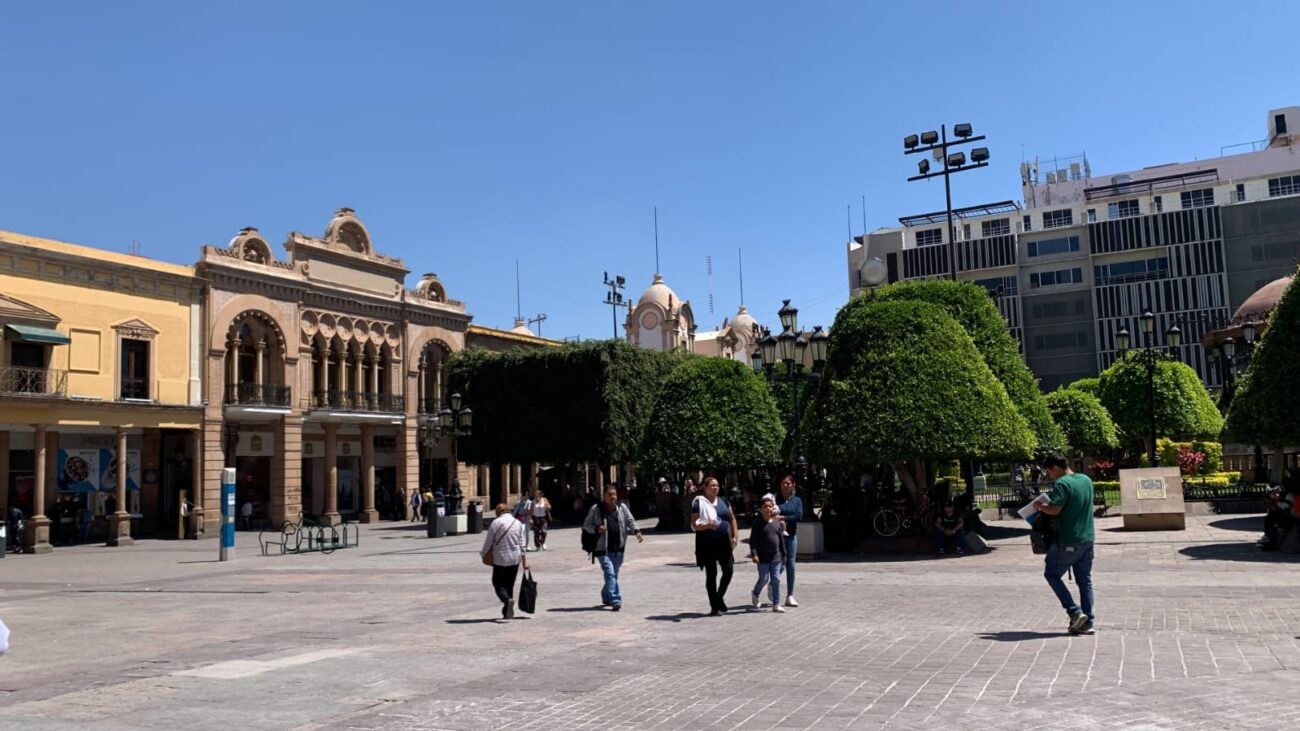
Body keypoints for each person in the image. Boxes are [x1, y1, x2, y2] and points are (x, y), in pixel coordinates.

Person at [1033, 452, 1096, 636]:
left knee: (1052, 574)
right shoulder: (1086, 479)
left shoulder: (1062, 483)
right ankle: (1087, 622)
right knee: (1084, 580)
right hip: (1087, 537)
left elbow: (1055, 509)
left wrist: (1039, 506)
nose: (1050, 476)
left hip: (1069, 539)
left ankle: (1074, 612)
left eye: (1049, 472)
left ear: (1056, 468)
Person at [582, 485, 643, 611]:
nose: (612, 497)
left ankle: (606, 595)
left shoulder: (622, 507)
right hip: (602, 549)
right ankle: (615, 599)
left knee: (613, 575)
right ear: (603, 496)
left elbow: (630, 520)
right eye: (609, 494)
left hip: (619, 548)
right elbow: (586, 525)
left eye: (614, 494)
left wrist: (637, 531)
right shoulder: (596, 509)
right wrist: (596, 529)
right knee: (610, 573)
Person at [692, 476, 738, 616]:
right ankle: (714, 606)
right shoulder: (699, 503)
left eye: (717, 485)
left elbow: (732, 519)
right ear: (705, 487)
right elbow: (694, 525)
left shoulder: (724, 501)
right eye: (712, 485)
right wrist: (708, 525)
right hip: (707, 543)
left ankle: (719, 597)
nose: (715, 488)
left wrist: (735, 536)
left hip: (724, 541)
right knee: (711, 574)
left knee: (728, 570)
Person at [481, 503, 529, 619]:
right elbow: (522, 544)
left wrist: (483, 554)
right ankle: (507, 612)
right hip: (515, 557)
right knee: (509, 584)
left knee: (497, 583)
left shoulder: (496, 523)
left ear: (498, 512)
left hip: (500, 557)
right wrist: (524, 561)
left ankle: (507, 600)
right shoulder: (517, 523)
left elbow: (488, 542)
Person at [749, 494, 788, 612]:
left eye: (770, 506)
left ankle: (776, 603)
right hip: (762, 557)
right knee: (764, 579)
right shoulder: (757, 524)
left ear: (773, 508)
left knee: (776, 579)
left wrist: (784, 555)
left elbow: (781, 540)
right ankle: (755, 593)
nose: (767, 509)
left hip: (775, 556)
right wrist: (754, 554)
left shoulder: (776, 523)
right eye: (765, 507)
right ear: (761, 509)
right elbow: (753, 541)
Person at [775, 475, 802, 607]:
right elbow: (770, 513)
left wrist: (783, 517)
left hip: (791, 535)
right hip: (776, 536)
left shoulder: (797, 500)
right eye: (783, 483)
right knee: (779, 563)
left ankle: (790, 595)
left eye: (788, 483)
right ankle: (772, 582)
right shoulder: (775, 499)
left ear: (793, 485)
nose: (785, 486)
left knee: (791, 564)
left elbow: (799, 516)